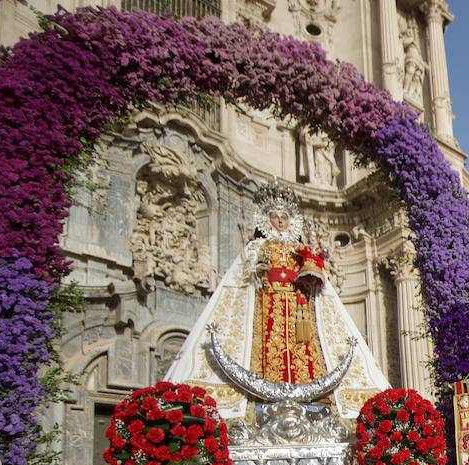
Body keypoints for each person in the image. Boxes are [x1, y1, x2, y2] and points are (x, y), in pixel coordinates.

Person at [163, 180, 388, 420]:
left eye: (284, 217)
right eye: (275, 216)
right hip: (267, 302)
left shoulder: (299, 249)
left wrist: (311, 270)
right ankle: (264, 393)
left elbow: (316, 275)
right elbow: (244, 271)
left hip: (298, 305)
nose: (280, 221)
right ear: (265, 218)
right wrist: (256, 269)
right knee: (271, 344)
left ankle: (309, 394)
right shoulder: (257, 246)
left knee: (303, 348)